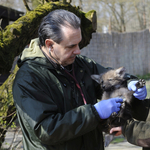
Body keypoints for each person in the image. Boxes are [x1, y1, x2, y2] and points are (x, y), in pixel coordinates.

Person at [12, 9, 147, 150]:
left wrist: (131, 83)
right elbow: (46, 129)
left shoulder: (80, 64)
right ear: (50, 45)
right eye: (71, 46)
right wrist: (94, 113)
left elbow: (110, 79)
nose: (78, 51)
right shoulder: (28, 79)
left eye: (78, 44)